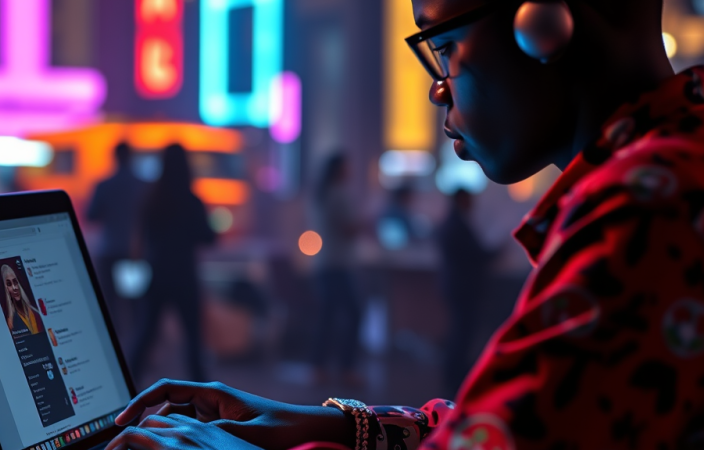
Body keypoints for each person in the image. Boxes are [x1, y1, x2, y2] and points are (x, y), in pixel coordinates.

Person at [106, 1, 704, 449]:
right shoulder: (673, 161)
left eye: (445, 46)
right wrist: (331, 424)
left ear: (544, 19)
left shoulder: (652, 201)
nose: (439, 89)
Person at [130, 144, 216, 383]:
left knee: (145, 334)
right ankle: (202, 396)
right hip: (184, 275)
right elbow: (208, 237)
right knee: (193, 341)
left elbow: (144, 237)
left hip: (156, 275)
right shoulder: (191, 201)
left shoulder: (152, 199)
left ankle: (126, 387)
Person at [434, 189, 498, 398]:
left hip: (455, 286)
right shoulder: (458, 224)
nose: (473, 203)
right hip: (464, 287)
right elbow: (476, 254)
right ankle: (455, 380)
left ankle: (453, 378)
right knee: (462, 335)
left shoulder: (451, 222)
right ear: (461, 199)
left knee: (459, 333)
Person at [310, 153, 363, 385]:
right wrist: (366, 221)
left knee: (328, 317)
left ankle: (319, 367)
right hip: (339, 265)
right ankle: (346, 368)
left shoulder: (323, 194)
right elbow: (348, 229)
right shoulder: (339, 194)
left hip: (325, 263)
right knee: (353, 314)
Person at [86, 142, 149, 332]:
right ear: (131, 157)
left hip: (109, 249)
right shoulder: (143, 186)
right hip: (134, 252)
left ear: (115, 157)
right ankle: (135, 348)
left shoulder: (104, 185)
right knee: (135, 304)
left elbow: (92, 215)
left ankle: (115, 345)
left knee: (111, 306)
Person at [1, 264, 44, 336]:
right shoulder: (10, 322)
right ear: (6, 289)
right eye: (9, 284)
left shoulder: (35, 312)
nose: (14, 288)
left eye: (15, 282)